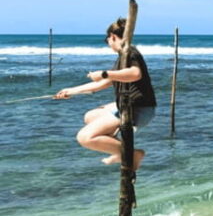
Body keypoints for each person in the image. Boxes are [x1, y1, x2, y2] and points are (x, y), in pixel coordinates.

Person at [55, 18, 156, 170]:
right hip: (132, 106)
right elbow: (104, 83)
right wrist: (72, 91)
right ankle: (118, 149)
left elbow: (135, 74)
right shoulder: (123, 56)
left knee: (84, 137)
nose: (108, 44)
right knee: (90, 116)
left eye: (107, 40)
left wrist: (104, 73)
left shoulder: (130, 53)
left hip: (138, 109)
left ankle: (131, 154)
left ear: (112, 36)